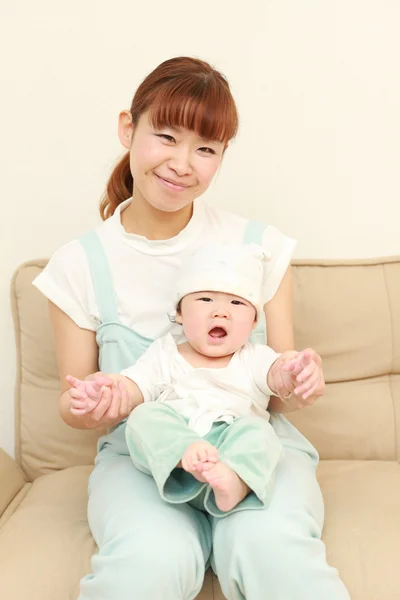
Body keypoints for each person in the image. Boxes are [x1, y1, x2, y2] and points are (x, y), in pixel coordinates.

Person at [33, 56, 350, 599]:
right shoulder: (79, 265)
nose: (183, 163)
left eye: (206, 148)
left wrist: (299, 381)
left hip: (252, 440)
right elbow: (73, 404)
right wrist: (97, 403)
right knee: (148, 563)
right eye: (166, 136)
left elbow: (278, 387)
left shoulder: (258, 247)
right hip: (143, 454)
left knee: (271, 550)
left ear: (222, 157)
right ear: (127, 129)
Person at [66, 242, 320, 517]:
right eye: (205, 300)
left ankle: (236, 480)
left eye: (236, 303)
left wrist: (295, 369)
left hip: (231, 446)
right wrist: (108, 391)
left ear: (254, 322)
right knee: (144, 417)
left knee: (260, 433)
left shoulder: (254, 357)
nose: (221, 312)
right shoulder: (165, 354)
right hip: (177, 454)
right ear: (180, 313)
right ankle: (185, 452)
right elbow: (134, 386)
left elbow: (278, 373)